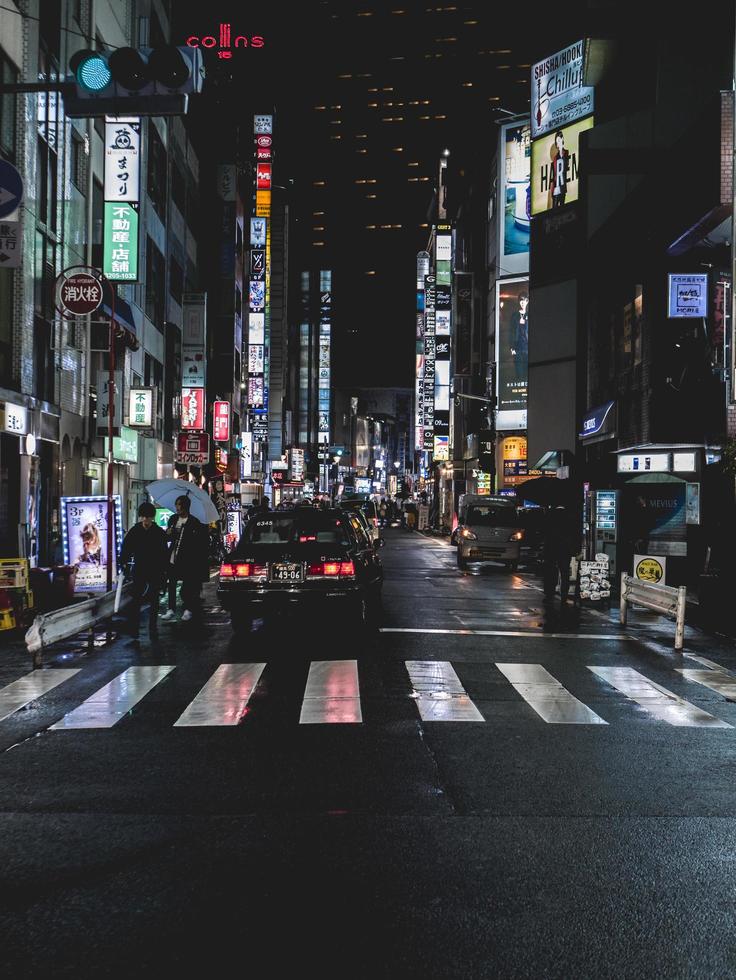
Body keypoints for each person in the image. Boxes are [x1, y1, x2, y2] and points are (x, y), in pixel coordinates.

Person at [120, 502, 169, 643]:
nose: (146, 520)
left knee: (154, 599)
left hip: (155, 569)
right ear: (141, 517)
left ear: (153, 517)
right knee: (136, 599)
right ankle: (134, 630)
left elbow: (163, 553)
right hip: (140, 568)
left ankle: (152, 627)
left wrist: (164, 571)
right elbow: (126, 548)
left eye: (149, 517)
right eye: (144, 517)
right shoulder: (135, 531)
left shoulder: (158, 532)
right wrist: (123, 561)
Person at [161, 495, 209, 623]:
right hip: (173, 556)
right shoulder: (172, 519)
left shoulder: (194, 522)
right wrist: (168, 534)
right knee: (171, 583)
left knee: (188, 585)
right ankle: (170, 609)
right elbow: (167, 538)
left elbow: (200, 542)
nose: (177, 507)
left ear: (186, 506)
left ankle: (188, 609)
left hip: (188, 559)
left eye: (179, 504)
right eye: (176, 504)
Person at [542, 504, 578, 602]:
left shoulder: (550, 516)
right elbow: (574, 535)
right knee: (565, 572)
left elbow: (545, 533)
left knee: (550, 571)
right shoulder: (570, 517)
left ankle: (549, 592)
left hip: (551, 548)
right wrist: (575, 550)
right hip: (565, 549)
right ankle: (564, 593)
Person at [509, 292, 529, 382]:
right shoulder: (514, 316)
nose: (522, 302)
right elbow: (511, 332)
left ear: (527, 301)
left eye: (524, 300)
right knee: (519, 371)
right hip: (517, 347)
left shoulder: (530, 315)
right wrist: (512, 348)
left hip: (527, 347)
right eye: (521, 300)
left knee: (527, 371)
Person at [549, 129, 570, 209]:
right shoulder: (555, 158)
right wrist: (552, 190)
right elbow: (554, 175)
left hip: (562, 187)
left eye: (558, 140)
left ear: (562, 139)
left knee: (562, 209)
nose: (557, 143)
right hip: (556, 188)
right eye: (556, 141)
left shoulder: (567, 153)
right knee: (554, 210)